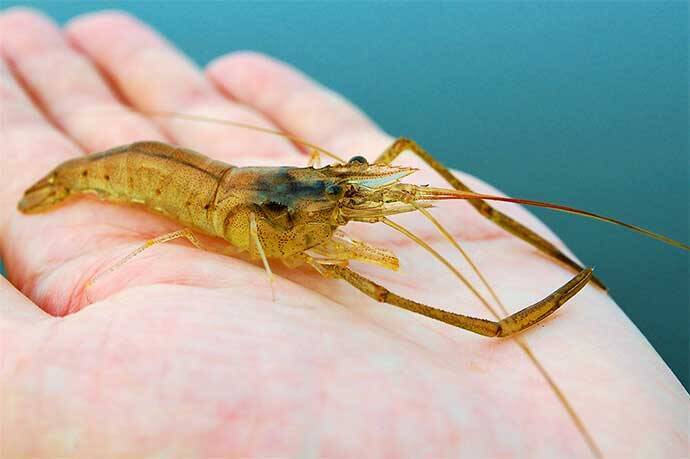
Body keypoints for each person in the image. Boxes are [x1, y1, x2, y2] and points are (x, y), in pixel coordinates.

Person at [1, 8, 687, 458]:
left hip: (215, 180)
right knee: (379, 290)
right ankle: (497, 326)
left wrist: (344, 188)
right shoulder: (254, 225)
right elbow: (358, 268)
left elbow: (347, 191)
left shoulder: (320, 194)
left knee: (397, 171)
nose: (347, 196)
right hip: (143, 175)